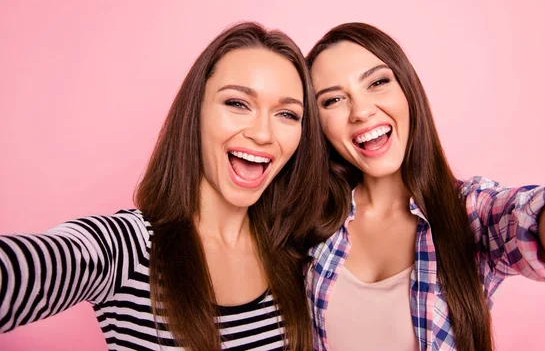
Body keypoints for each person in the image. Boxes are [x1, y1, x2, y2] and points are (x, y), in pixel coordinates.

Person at [0, 22, 330, 351]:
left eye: (287, 114)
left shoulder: (295, 255)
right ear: (195, 113)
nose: (263, 134)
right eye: (237, 103)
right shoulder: (126, 248)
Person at [305, 22, 545, 351]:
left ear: (408, 89)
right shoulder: (309, 222)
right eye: (332, 100)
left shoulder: (473, 214)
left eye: (377, 82)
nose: (361, 111)